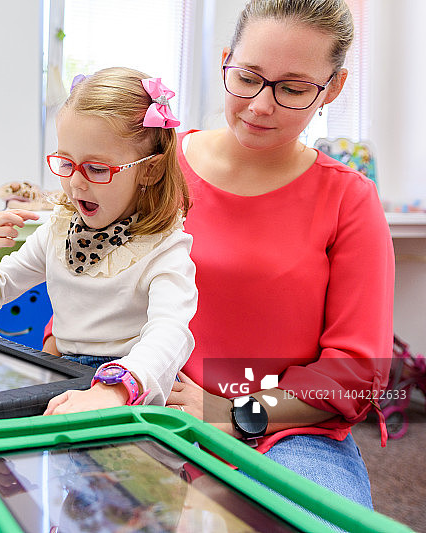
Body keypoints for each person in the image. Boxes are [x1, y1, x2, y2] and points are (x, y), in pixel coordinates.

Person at [43, 0, 393, 510]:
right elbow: (90, 269)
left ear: (332, 89)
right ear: (227, 60)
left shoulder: (348, 200)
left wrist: (232, 411)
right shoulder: (156, 166)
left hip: (283, 431)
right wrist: (67, 358)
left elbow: (357, 371)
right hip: (132, 401)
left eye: (293, 89)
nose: (260, 105)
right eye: (248, 77)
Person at [0, 67, 197, 415]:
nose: (75, 183)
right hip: (64, 374)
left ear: (151, 169)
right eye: (66, 163)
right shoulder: (58, 231)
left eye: (97, 169)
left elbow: (169, 334)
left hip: (133, 383)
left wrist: (117, 388)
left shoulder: (164, 248)